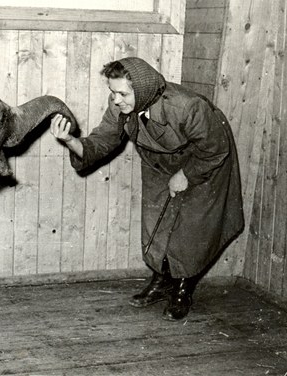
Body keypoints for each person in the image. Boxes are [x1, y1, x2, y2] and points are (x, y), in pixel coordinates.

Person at [50, 57, 244, 320]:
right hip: (159, 159)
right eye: (113, 93)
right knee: (155, 221)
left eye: (123, 93)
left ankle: (183, 289)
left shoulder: (188, 107)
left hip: (205, 159)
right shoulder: (121, 106)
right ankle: (162, 280)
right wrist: (70, 140)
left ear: (141, 91)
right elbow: (101, 142)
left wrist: (187, 174)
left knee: (193, 226)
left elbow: (215, 149)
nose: (116, 100)